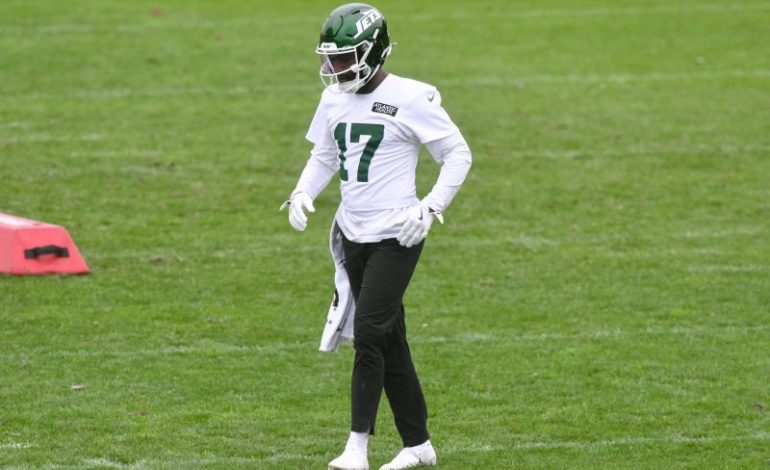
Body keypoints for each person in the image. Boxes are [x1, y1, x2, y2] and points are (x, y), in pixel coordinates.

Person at [282, 3, 472, 469]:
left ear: (374, 51)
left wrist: (430, 207)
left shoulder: (411, 97)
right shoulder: (333, 98)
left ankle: (357, 448)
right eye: (330, 58)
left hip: (397, 233)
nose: (334, 68)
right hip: (352, 232)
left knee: (368, 333)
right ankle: (418, 444)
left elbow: (458, 153)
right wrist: (303, 190)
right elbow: (326, 154)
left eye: (344, 58)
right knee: (389, 338)